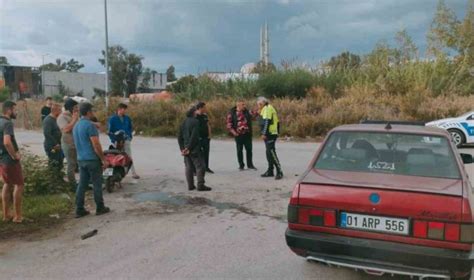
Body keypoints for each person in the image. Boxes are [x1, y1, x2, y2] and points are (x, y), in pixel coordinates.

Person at [73, 102, 110, 218]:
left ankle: (79, 209)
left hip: (81, 159)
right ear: (88, 112)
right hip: (92, 159)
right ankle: (100, 207)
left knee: (82, 184)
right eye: (92, 111)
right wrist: (103, 159)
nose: (93, 113)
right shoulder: (90, 126)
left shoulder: (76, 126)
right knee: (97, 184)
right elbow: (96, 145)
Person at [0, 101, 24, 223]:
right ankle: (18, 216)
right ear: (9, 110)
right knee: (19, 185)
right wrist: (15, 156)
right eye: (15, 110)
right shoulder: (8, 123)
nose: (16, 112)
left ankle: (6, 215)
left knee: (7, 184)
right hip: (10, 160)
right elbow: (7, 142)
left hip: (2, 159)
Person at [178, 106, 212, 192]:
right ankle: (200, 185)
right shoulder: (195, 122)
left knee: (188, 167)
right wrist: (189, 148)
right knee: (201, 166)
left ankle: (190, 185)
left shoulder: (183, 122)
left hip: (186, 148)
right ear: (193, 113)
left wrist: (183, 149)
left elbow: (179, 137)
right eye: (196, 111)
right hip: (194, 148)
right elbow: (194, 136)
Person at [107, 103, 139, 179]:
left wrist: (130, 137)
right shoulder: (112, 119)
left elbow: (130, 128)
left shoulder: (127, 118)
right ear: (118, 109)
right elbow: (109, 131)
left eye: (125, 109)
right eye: (122, 109)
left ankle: (133, 173)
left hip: (126, 140)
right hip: (116, 141)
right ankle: (110, 174)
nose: (124, 111)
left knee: (128, 156)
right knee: (114, 157)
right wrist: (113, 140)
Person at [257, 97, 283, 180]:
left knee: (271, 152)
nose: (258, 106)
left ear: (264, 103)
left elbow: (267, 121)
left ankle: (279, 171)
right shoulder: (265, 108)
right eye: (258, 104)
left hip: (270, 133)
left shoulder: (268, 108)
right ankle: (270, 170)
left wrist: (264, 133)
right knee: (268, 152)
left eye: (259, 104)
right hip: (270, 133)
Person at [226, 100, 257, 171]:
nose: (244, 106)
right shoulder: (232, 113)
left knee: (249, 150)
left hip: (247, 134)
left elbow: (254, 116)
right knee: (239, 150)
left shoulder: (247, 112)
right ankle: (241, 165)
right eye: (243, 104)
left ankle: (250, 165)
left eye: (244, 104)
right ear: (238, 105)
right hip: (238, 134)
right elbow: (229, 124)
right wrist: (234, 133)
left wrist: (257, 110)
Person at [57, 98, 79, 189]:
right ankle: (72, 185)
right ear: (70, 108)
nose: (77, 109)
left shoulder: (75, 116)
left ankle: (82, 183)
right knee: (71, 164)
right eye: (75, 107)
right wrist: (74, 120)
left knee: (80, 164)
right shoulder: (62, 117)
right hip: (68, 143)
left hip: (77, 143)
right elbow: (66, 129)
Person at [43, 103, 64, 175]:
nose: (61, 112)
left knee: (60, 163)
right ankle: (52, 180)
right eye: (60, 110)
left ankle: (59, 179)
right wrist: (55, 144)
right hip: (52, 146)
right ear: (55, 111)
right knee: (54, 163)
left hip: (59, 145)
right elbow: (47, 134)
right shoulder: (48, 120)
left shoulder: (57, 119)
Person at [195, 102, 214, 173]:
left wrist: (209, 135)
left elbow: (208, 125)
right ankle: (196, 169)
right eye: (204, 107)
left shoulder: (205, 116)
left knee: (206, 153)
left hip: (206, 138)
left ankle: (206, 167)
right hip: (197, 138)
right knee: (197, 154)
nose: (206, 109)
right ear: (200, 108)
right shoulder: (195, 116)